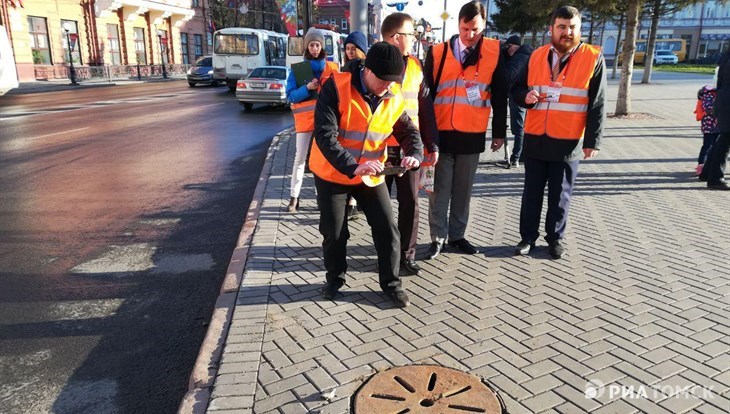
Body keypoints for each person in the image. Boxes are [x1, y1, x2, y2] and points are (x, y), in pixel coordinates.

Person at [310, 42, 424, 307]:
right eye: (384, 80)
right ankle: (334, 280)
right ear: (368, 70)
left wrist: (414, 155)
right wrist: (352, 166)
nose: (388, 86)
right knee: (335, 232)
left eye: (393, 82)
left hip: (371, 174)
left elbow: (409, 131)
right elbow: (325, 135)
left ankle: (392, 284)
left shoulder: (392, 94)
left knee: (387, 228)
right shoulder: (336, 86)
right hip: (332, 173)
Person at [513, 5, 606, 259]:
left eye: (572, 27)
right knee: (531, 193)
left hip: (567, 140)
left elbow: (598, 102)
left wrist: (592, 141)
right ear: (551, 28)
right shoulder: (535, 56)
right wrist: (526, 97)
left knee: (560, 195)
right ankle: (527, 238)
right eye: (562, 27)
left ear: (579, 29)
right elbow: (517, 89)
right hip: (535, 137)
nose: (567, 32)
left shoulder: (592, 57)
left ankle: (554, 238)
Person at [424, 1, 507, 259]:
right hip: (441, 136)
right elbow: (425, 97)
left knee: (463, 191)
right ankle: (437, 237)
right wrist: (425, 135)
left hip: (471, 136)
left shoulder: (494, 51)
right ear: (458, 24)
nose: (470, 35)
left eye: (476, 29)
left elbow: (500, 95)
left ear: (483, 26)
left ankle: (457, 236)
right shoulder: (437, 53)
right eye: (465, 28)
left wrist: (499, 132)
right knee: (439, 190)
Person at [381, 12, 439, 276]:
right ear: (395, 38)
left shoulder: (416, 66)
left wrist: (432, 144)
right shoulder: (372, 64)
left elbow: (425, 108)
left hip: (409, 150)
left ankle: (407, 255)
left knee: (410, 204)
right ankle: (385, 255)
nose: (415, 38)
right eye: (410, 33)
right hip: (378, 149)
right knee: (379, 207)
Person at [285, 28, 339, 213]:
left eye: (317, 45)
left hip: (325, 122)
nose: (315, 48)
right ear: (307, 47)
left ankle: (321, 197)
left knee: (322, 159)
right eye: (311, 45)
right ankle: (294, 197)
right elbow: (290, 96)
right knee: (299, 159)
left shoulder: (332, 68)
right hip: (305, 122)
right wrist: (307, 88)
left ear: (322, 46)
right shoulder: (299, 70)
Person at [342, 30, 368, 217]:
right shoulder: (344, 69)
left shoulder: (363, 71)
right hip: (347, 123)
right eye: (348, 49)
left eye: (354, 48)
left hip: (361, 123)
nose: (350, 52)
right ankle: (351, 201)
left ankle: (354, 201)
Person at [497, 35, 533, 169]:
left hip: (519, 95)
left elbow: (508, 76)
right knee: (522, 127)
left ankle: (515, 158)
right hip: (525, 94)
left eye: (508, 47)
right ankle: (521, 155)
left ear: (513, 46)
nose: (506, 51)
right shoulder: (525, 54)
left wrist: (501, 58)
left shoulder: (519, 57)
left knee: (518, 128)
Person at [702, 49, 729, 190]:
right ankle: (715, 178)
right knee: (725, 140)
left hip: (723, 99)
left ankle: (707, 173)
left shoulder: (726, 55)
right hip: (727, 101)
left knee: (723, 139)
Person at [695, 85, 718, 176]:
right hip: (709, 126)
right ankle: (701, 165)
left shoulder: (716, 94)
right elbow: (708, 108)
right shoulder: (708, 95)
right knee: (707, 145)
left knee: (714, 146)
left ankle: (709, 165)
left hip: (717, 125)